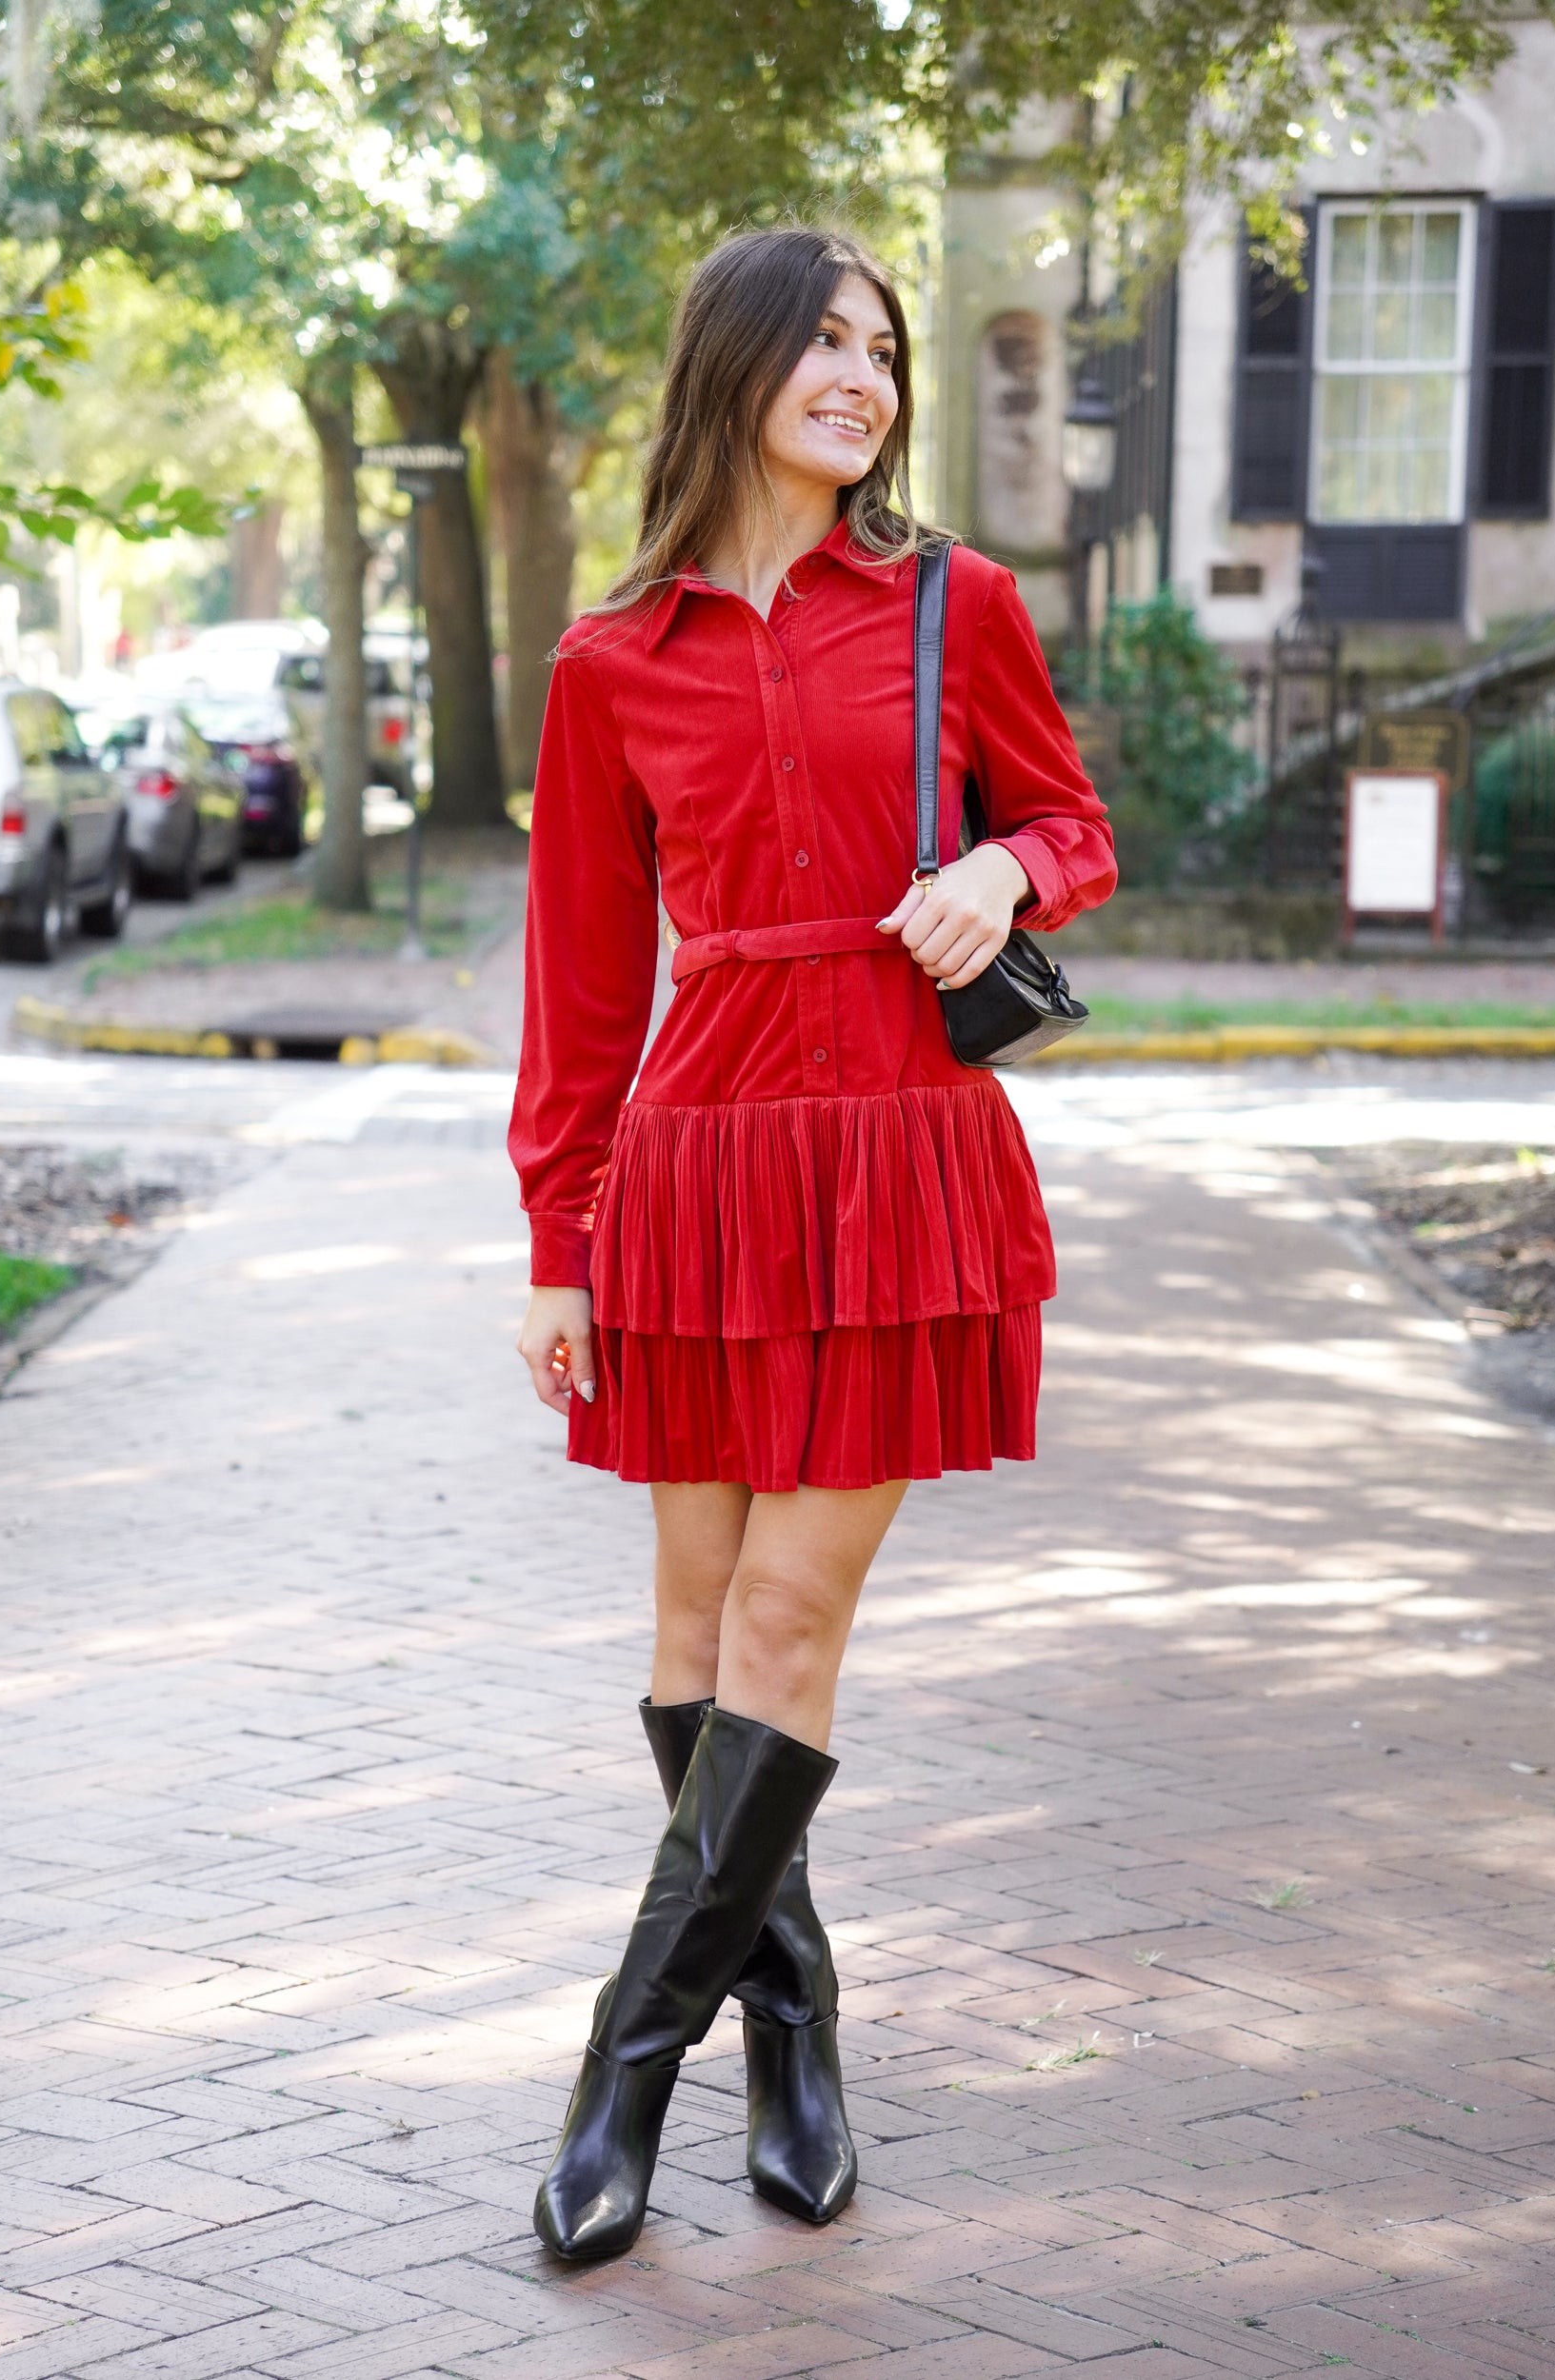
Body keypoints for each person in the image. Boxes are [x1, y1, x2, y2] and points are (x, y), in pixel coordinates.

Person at [509, 223, 1116, 2264]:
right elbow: (583, 989)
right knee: (689, 1633)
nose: (865, 373)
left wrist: (1002, 867)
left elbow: (1075, 823)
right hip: (696, 1167)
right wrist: (558, 1237)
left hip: (894, 1154)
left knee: (782, 1624)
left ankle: (620, 2081)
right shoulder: (614, 661)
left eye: (886, 347)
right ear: (737, 366)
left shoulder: (958, 601)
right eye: (828, 342)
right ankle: (796, 2020)